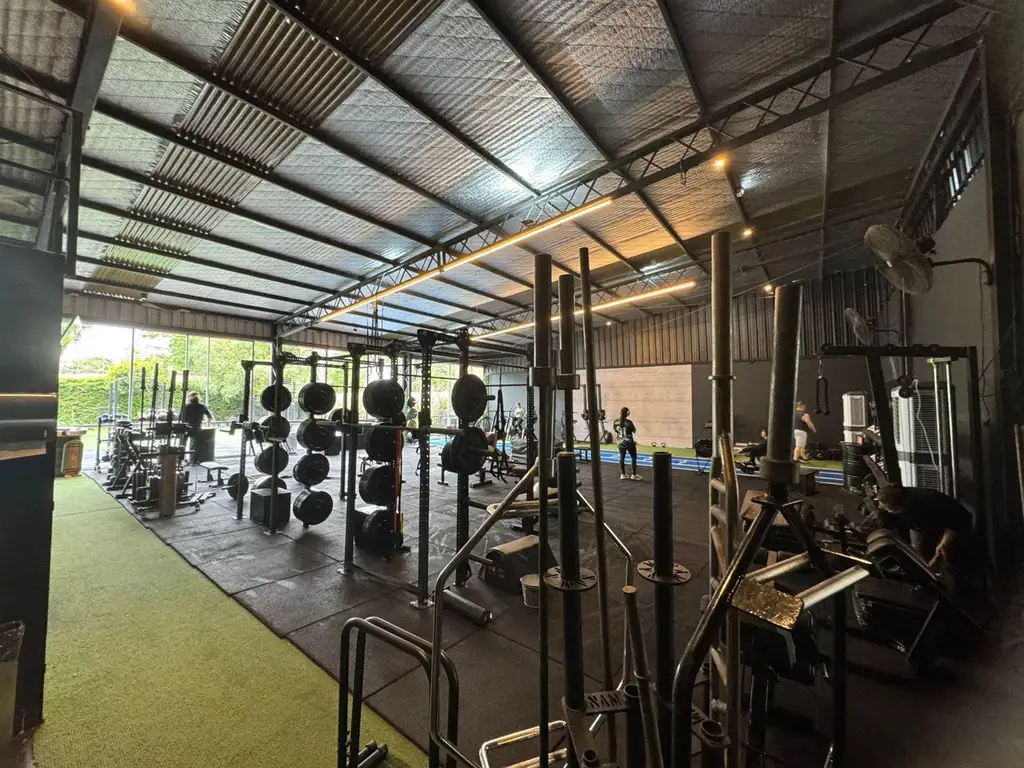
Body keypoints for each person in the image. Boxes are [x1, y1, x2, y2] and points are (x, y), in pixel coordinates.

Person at [875, 484, 979, 596]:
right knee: (922, 556)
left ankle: (963, 592)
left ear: (898, 508)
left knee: (950, 558)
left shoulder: (926, 504)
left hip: (955, 522)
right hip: (928, 525)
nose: (885, 510)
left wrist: (943, 544)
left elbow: (958, 521)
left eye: (889, 509)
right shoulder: (894, 501)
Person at [181, 391, 214, 461]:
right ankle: (194, 460)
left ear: (189, 398)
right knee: (196, 445)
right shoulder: (202, 406)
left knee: (182, 444)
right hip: (197, 428)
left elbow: (180, 418)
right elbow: (210, 417)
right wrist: (208, 423)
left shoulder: (186, 407)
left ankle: (181, 459)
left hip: (186, 428)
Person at [614, 407, 641, 481]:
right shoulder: (629, 422)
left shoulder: (616, 421)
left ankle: (623, 474)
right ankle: (634, 475)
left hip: (620, 442)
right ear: (627, 413)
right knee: (633, 457)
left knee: (621, 457)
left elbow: (616, 430)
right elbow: (634, 431)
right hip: (629, 442)